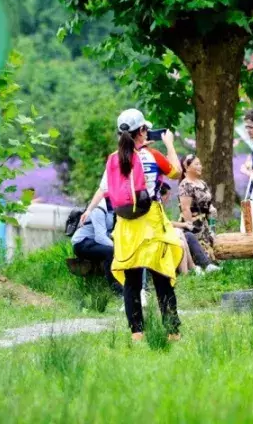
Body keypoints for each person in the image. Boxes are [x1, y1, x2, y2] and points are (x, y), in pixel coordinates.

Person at [83, 108, 183, 342]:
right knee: (162, 277)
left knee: (132, 282)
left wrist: (88, 209)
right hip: (152, 223)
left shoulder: (114, 159)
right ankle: (172, 331)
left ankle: (137, 333)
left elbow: (104, 188)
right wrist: (169, 144)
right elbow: (177, 172)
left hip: (127, 225)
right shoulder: (152, 156)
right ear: (143, 131)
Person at [70, 196, 123, 295]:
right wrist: (117, 248)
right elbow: (100, 237)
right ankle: (117, 290)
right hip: (82, 243)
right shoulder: (99, 209)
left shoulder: (113, 207)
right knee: (110, 252)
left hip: (94, 243)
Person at [178, 154, 217, 255]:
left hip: (205, 224)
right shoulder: (185, 184)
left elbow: (210, 206)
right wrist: (192, 228)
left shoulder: (202, 183)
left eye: (200, 164)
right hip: (194, 225)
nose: (200, 166)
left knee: (210, 255)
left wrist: (212, 227)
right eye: (197, 164)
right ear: (187, 166)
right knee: (199, 254)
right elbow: (185, 209)